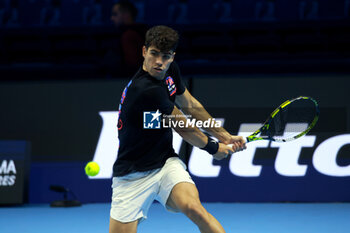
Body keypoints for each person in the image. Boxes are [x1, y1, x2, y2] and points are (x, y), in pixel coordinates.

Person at [110, 25, 246, 233]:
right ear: (144, 51)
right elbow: (183, 127)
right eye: (154, 54)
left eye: (165, 56)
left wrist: (225, 136)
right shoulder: (145, 90)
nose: (159, 62)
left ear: (172, 57)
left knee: (195, 209)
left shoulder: (170, 71)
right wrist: (213, 148)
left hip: (164, 163)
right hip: (131, 175)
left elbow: (189, 104)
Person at [110, 0, 147, 76]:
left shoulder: (128, 35)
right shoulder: (140, 32)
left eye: (115, 14)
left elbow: (132, 65)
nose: (112, 18)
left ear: (126, 14)